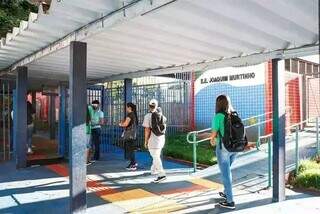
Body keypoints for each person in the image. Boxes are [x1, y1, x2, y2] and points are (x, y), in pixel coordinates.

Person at [210, 95, 237, 210]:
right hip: (235, 147)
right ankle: (227, 192)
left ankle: (230, 201)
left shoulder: (218, 116)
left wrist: (212, 140)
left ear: (218, 104)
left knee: (226, 174)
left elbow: (214, 134)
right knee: (227, 171)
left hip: (223, 148)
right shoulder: (234, 113)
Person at [143, 99, 167, 183]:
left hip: (153, 140)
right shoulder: (162, 116)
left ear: (149, 106)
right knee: (156, 155)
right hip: (161, 139)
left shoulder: (147, 116)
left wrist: (146, 141)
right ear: (156, 106)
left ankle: (162, 174)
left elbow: (147, 130)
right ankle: (153, 170)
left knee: (155, 156)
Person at [119, 102, 138, 170]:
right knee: (131, 149)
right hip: (132, 134)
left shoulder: (130, 114)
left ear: (129, 107)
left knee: (130, 149)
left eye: (126, 107)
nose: (126, 108)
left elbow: (125, 124)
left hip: (129, 135)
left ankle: (133, 164)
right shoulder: (133, 114)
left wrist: (120, 124)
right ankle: (133, 162)